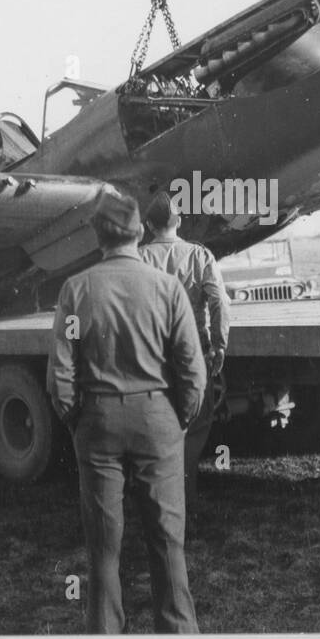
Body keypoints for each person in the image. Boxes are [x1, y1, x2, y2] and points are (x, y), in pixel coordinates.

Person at [47, 189, 206, 634]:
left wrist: (77, 418)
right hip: (159, 421)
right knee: (168, 541)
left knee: (103, 547)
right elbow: (192, 368)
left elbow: (61, 372)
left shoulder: (76, 290)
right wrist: (179, 418)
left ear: (98, 235)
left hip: (97, 424)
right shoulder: (168, 288)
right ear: (139, 232)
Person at [138, 191, 230, 529]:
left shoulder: (138, 259)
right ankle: (185, 510)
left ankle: (159, 512)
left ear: (148, 225)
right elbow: (220, 302)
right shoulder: (200, 255)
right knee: (193, 430)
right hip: (193, 355)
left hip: (153, 358)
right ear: (179, 221)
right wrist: (219, 346)